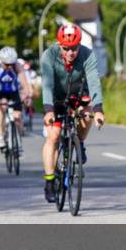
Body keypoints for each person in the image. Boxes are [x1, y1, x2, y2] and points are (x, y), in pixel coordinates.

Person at [40, 24, 104, 203]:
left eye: (74, 48)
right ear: (59, 45)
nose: (70, 52)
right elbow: (46, 85)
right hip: (56, 98)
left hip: (78, 94)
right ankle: (50, 182)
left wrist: (98, 109)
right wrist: (48, 110)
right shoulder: (49, 55)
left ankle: (80, 143)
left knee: (87, 113)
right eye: (66, 48)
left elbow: (93, 81)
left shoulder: (87, 54)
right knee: (53, 136)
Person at [0, 47, 32, 151]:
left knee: (17, 116)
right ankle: (0, 135)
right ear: (1, 60)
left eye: (11, 64)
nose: (9, 66)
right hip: (0, 92)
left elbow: (24, 83)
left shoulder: (17, 65)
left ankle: (18, 140)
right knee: (2, 107)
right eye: (6, 64)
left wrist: (27, 96)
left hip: (13, 92)